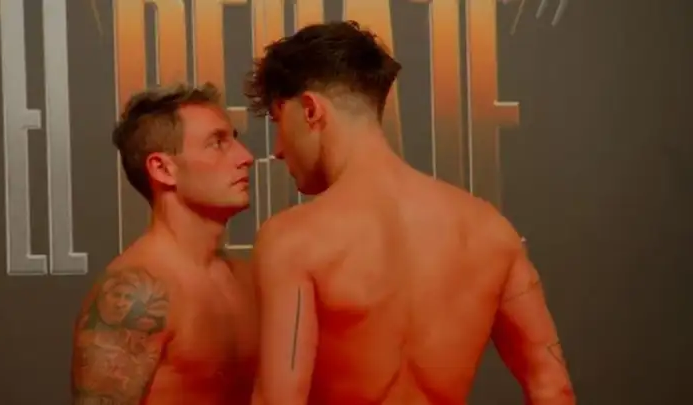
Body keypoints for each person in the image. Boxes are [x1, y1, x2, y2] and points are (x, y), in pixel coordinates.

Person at [244, 21, 576, 405]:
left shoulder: (293, 240)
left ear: (310, 110)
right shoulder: (490, 231)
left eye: (277, 120)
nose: (278, 148)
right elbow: (553, 388)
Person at [71, 83, 258, 405]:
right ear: (163, 169)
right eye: (217, 143)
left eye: (235, 140)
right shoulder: (135, 294)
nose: (246, 157)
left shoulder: (246, 278)